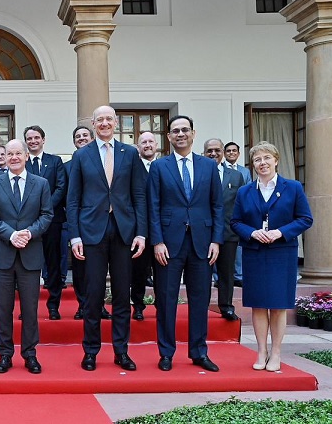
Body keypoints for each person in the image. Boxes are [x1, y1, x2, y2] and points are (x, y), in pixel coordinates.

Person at [67, 106, 147, 372]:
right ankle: (91, 351)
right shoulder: (81, 155)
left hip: (124, 231)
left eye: (108, 119)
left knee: (122, 294)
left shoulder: (130, 153)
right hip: (91, 232)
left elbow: (139, 195)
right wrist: (75, 235)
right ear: (93, 123)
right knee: (93, 295)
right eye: (99, 119)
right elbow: (73, 199)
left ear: (116, 122)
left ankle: (121, 351)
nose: (104, 123)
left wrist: (141, 232)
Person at [148, 115, 223, 372]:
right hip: (168, 244)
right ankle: (166, 352)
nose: (180, 134)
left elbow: (217, 206)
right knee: (166, 300)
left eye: (185, 130)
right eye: (175, 131)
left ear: (193, 133)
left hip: (203, 243)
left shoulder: (208, 166)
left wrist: (216, 240)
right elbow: (153, 207)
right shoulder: (159, 167)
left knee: (200, 299)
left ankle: (199, 351)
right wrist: (156, 241)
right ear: (168, 137)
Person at [231, 141, 312, 372]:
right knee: (258, 305)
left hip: (281, 254)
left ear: (276, 160)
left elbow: (305, 219)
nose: (262, 163)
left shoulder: (293, 187)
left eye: (267, 158)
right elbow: (235, 222)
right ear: (253, 165)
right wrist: (252, 232)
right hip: (255, 253)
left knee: (277, 305)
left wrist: (280, 232)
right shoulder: (244, 191)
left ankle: (276, 352)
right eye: (257, 159)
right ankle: (261, 351)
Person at [0, 139, 52, 374]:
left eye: (17, 153)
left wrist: (29, 234)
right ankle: (4, 355)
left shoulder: (41, 183)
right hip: (3, 255)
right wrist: (11, 235)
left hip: (30, 255)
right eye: (9, 154)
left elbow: (46, 215)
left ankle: (30, 354)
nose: (13, 157)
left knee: (30, 310)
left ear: (25, 156)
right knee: (3, 309)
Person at [63, 126, 108, 321]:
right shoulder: (68, 166)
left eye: (84, 135)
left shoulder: (107, 160)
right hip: (81, 223)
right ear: (74, 142)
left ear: (91, 138)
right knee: (81, 269)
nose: (81, 138)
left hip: (103, 222)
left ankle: (101, 306)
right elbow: (68, 196)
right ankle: (83, 305)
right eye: (77, 136)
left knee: (101, 270)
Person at [24, 125, 66, 320]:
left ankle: (53, 306)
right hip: (28, 223)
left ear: (43, 139)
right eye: (29, 138)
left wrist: (45, 208)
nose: (33, 141)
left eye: (36, 138)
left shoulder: (55, 161)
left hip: (52, 221)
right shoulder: (22, 163)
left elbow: (61, 187)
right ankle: (28, 308)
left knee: (53, 263)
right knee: (27, 265)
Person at [203, 138, 245, 321]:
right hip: (203, 232)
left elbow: (242, 204)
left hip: (228, 232)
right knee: (202, 273)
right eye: (209, 151)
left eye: (217, 150)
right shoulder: (199, 172)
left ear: (223, 152)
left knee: (226, 273)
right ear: (204, 153)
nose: (213, 154)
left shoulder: (236, 176)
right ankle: (200, 307)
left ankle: (226, 306)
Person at [131, 132, 158, 320]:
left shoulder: (165, 166)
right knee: (138, 271)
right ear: (138, 146)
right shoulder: (132, 167)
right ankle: (138, 305)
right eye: (143, 142)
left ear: (156, 144)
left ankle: (162, 306)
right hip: (138, 228)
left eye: (150, 141)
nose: (147, 145)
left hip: (163, 228)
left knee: (163, 270)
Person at [224, 141, 252, 288]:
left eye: (234, 151)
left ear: (239, 153)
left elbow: (248, 190)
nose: (231, 153)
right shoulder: (218, 169)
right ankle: (219, 277)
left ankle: (238, 275)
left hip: (239, 213)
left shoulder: (245, 171)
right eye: (228, 151)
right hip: (223, 214)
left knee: (238, 247)